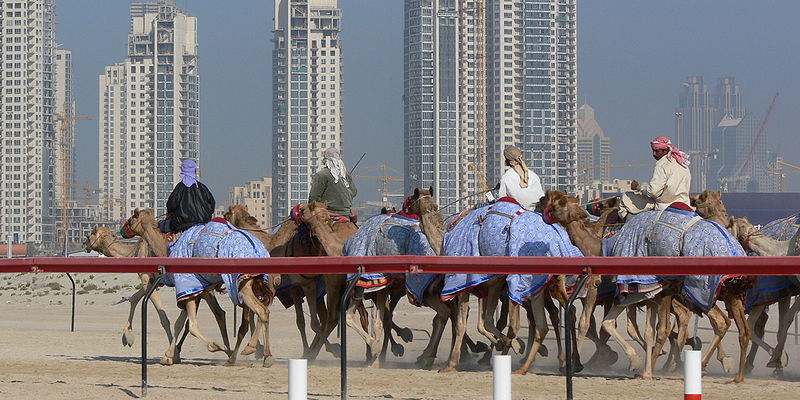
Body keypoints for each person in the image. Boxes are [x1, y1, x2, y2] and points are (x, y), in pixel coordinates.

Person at [619, 135, 691, 219]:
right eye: (653, 151)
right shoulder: (682, 164)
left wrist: (639, 187)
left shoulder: (662, 164)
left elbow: (653, 192)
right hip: (685, 204)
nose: (653, 154)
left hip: (664, 206)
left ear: (665, 150)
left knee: (626, 197)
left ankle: (623, 228)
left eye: (657, 151)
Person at [163, 159, 216, 233]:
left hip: (182, 226)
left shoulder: (180, 188)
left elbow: (171, 205)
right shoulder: (203, 188)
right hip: (203, 225)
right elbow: (212, 204)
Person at [308, 147, 358, 220]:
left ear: (325, 160)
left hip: (328, 214)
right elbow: (354, 192)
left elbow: (314, 196)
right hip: (346, 214)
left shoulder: (322, 174)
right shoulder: (346, 174)